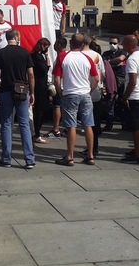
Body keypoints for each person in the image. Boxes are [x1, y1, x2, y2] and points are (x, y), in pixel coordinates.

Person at [0, 29, 36, 169]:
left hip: (5, 91)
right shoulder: (24, 52)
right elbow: (31, 75)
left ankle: (6, 158)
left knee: (6, 124)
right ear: (16, 37)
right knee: (24, 124)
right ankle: (29, 159)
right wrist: (32, 92)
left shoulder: (1, 53)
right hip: (22, 91)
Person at [53, 33, 98, 166]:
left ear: (70, 43)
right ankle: (90, 155)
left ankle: (70, 156)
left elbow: (56, 78)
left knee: (71, 125)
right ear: (83, 44)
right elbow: (96, 78)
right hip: (85, 93)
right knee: (88, 124)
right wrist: (90, 90)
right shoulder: (87, 58)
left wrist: (60, 92)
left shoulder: (63, 56)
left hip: (70, 93)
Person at [120, 35, 139, 164]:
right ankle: (136, 149)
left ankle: (138, 154)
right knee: (135, 124)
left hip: (135, 95)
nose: (121, 45)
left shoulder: (132, 59)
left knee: (135, 125)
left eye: (124, 43)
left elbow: (132, 81)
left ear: (130, 44)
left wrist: (125, 96)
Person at [102, 36, 128, 130]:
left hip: (120, 78)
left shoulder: (122, 52)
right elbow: (104, 63)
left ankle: (124, 123)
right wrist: (113, 62)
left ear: (118, 44)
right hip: (110, 79)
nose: (112, 45)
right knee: (110, 101)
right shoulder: (106, 53)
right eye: (111, 43)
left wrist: (110, 62)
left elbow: (121, 59)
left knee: (121, 101)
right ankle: (109, 124)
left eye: (114, 43)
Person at [30, 38, 51, 144]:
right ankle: (36, 133)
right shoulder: (37, 57)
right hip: (39, 85)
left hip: (40, 84)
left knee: (41, 109)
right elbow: (44, 70)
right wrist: (47, 59)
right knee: (40, 110)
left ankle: (36, 132)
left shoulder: (35, 55)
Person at [47, 37, 68, 138]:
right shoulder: (67, 55)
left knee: (57, 106)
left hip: (61, 86)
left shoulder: (61, 56)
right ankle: (66, 128)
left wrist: (57, 88)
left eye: (55, 44)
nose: (54, 46)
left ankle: (56, 128)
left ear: (59, 45)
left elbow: (57, 76)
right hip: (66, 85)